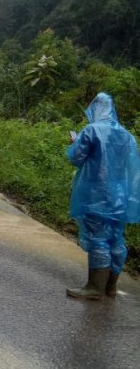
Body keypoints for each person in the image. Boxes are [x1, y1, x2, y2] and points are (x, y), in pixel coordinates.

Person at [66, 93, 140, 300]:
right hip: (120, 197)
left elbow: (76, 157)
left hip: (96, 194)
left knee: (98, 239)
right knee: (116, 239)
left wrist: (75, 141)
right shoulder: (127, 136)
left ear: (96, 109)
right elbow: (131, 167)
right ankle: (110, 287)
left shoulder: (91, 130)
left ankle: (94, 288)